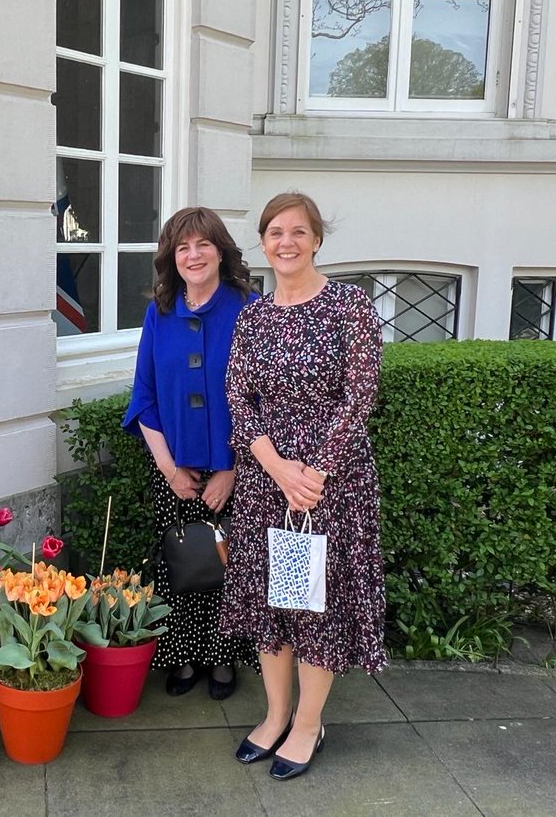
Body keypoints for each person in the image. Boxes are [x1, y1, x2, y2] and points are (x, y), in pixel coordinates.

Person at [220, 191, 385, 780]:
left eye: (297, 231)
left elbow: (359, 394)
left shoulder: (348, 306)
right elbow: (239, 397)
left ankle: (309, 725)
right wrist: (276, 465)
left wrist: (311, 471)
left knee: (313, 602)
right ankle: (275, 715)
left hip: (328, 486)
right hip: (271, 484)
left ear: (316, 239)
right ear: (263, 244)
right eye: (273, 232)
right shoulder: (254, 315)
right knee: (275, 602)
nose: (285, 242)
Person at [122, 206, 258, 700]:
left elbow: (261, 400)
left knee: (228, 566)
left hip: (238, 470)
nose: (193, 254)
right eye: (183, 247)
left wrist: (232, 470)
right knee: (182, 566)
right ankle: (183, 658)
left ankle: (223, 662)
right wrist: (169, 467)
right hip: (173, 469)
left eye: (203, 244)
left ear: (220, 251)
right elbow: (145, 396)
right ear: (171, 258)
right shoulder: (159, 312)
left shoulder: (249, 308)